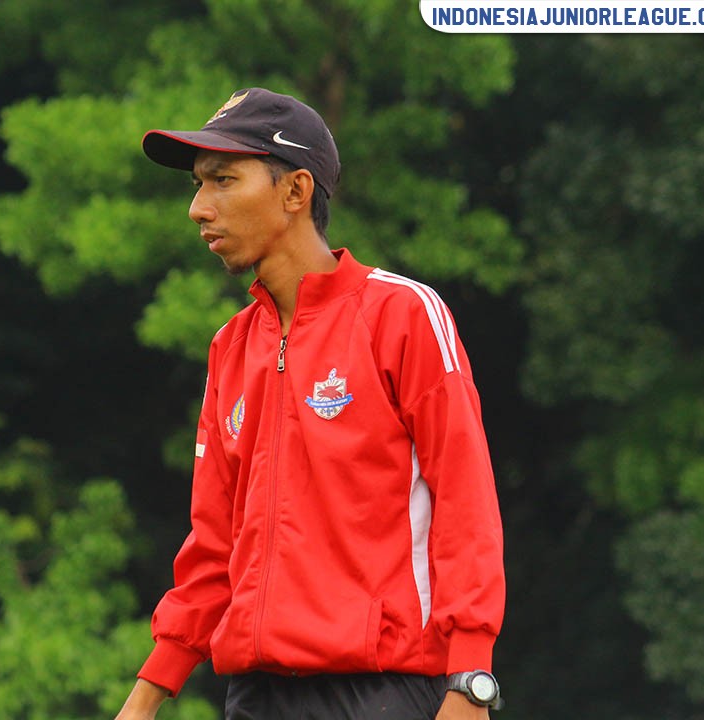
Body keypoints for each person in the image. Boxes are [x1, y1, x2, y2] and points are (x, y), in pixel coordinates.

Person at [115, 88, 505, 720]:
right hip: (256, 693)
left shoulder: (403, 315)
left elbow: (467, 506)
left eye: (222, 181)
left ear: (296, 192)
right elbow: (214, 545)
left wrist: (471, 680)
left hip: (382, 689)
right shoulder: (229, 349)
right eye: (197, 185)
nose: (197, 208)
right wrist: (146, 696)